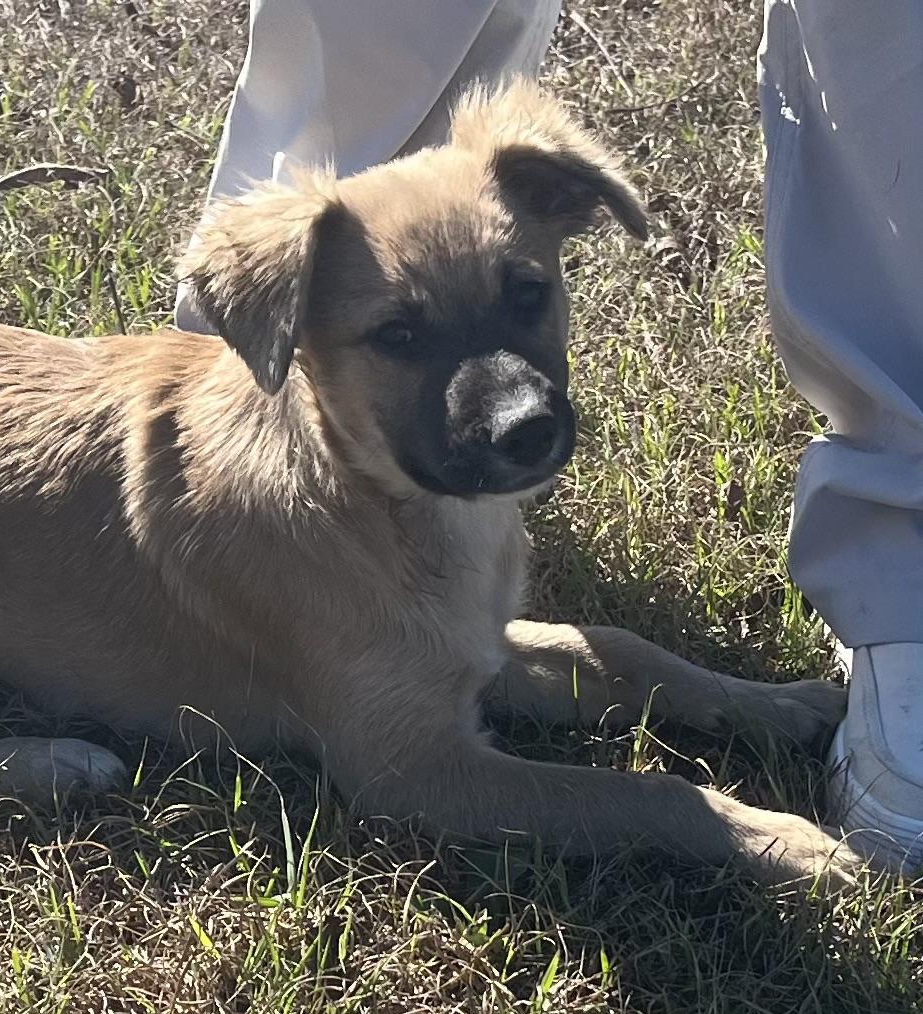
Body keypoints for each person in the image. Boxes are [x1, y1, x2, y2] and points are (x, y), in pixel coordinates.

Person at [175, 0, 923, 864]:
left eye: (522, 299)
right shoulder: (291, 539)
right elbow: (411, 779)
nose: (512, 403)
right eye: (402, 338)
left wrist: (702, 691)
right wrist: (714, 822)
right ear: (288, 337)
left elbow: (475, 655)